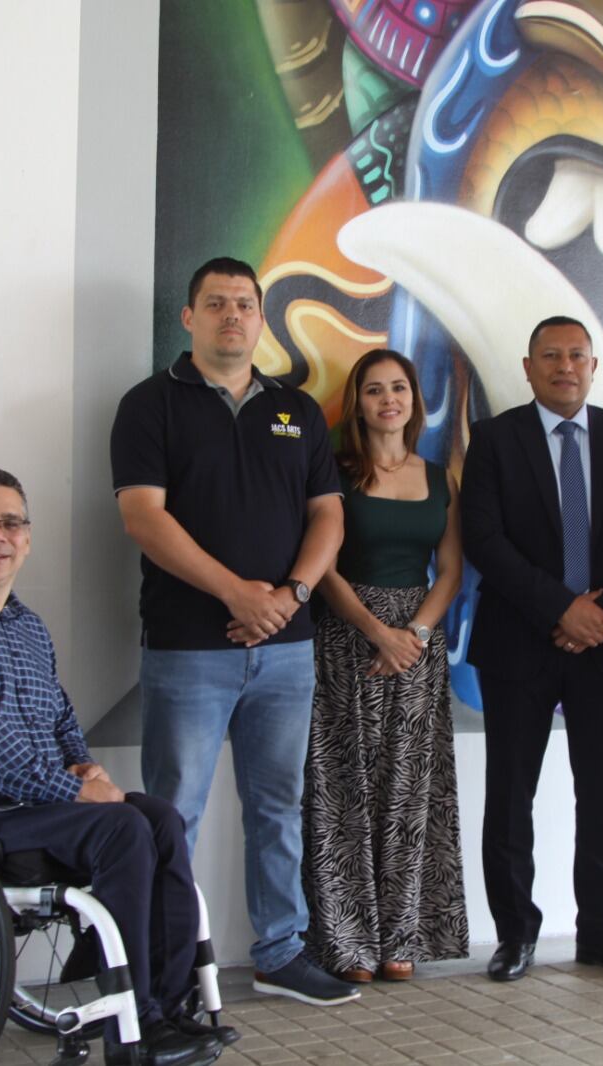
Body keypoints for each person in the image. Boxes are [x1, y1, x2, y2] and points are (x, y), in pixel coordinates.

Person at [0, 468, 229, 1066]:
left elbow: (59, 717)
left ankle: (168, 1009)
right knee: (122, 828)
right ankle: (133, 1028)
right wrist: (71, 790)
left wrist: (85, 768)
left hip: (29, 805)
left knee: (160, 819)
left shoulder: (26, 626)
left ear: (27, 538)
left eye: (11, 522)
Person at [110, 257, 356, 1007]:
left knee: (278, 807)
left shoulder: (296, 410)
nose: (232, 316)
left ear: (260, 317)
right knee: (174, 814)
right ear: (189, 317)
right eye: (215, 303)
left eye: (245, 304)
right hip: (189, 648)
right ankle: (168, 973)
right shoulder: (150, 404)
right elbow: (142, 517)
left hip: (287, 649)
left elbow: (328, 515)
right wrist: (236, 593)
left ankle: (280, 953)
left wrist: (292, 594)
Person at [461, 315, 603, 983]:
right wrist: (562, 608)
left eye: (577, 355)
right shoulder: (495, 439)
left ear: (593, 366)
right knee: (509, 794)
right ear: (528, 367)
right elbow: (484, 539)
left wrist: (601, 613)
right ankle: (515, 934)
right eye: (550, 356)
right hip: (519, 643)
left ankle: (602, 931)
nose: (565, 367)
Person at [302, 349, 468, 983]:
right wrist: (377, 632)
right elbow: (323, 567)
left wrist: (414, 635)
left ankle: (402, 936)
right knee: (342, 786)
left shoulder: (440, 478)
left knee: (409, 789)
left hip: (418, 648)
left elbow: (450, 570)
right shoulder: (335, 475)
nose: (388, 399)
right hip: (348, 639)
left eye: (398, 387)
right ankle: (347, 943)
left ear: (414, 400)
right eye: (374, 390)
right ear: (358, 403)